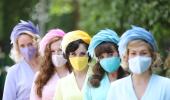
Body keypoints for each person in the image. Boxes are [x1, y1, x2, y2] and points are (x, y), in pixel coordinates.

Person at [107, 26, 170, 100]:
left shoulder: (166, 85)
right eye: (133, 53)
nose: (138, 58)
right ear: (127, 57)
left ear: (152, 56)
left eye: (143, 53)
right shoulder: (116, 88)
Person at [84, 29, 127, 100]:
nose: (106, 59)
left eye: (110, 54)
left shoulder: (129, 79)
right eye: (101, 57)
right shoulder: (91, 82)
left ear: (119, 53)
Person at [3, 20, 40, 100]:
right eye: (22, 46)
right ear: (18, 48)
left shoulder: (47, 67)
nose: (27, 49)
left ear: (36, 43)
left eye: (30, 44)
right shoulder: (13, 72)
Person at [30, 29, 70, 100]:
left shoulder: (74, 73)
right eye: (53, 51)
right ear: (48, 54)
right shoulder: (40, 76)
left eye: (60, 50)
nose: (56, 54)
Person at [53, 30, 92, 100]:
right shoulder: (62, 83)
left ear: (89, 55)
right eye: (73, 54)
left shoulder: (100, 77)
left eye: (82, 54)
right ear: (67, 56)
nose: (78, 58)